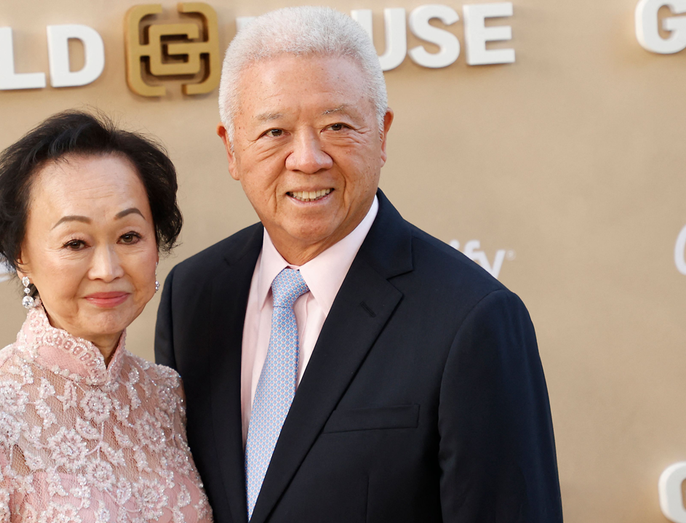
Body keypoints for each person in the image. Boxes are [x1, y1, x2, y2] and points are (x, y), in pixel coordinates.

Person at [155, 7, 561, 523]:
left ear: (383, 134)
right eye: (274, 132)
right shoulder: (194, 295)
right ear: (231, 149)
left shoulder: (472, 318)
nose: (307, 158)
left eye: (337, 125)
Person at [0, 111, 212, 523]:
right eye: (76, 243)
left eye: (129, 236)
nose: (107, 269)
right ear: (21, 257)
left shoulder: (165, 397)